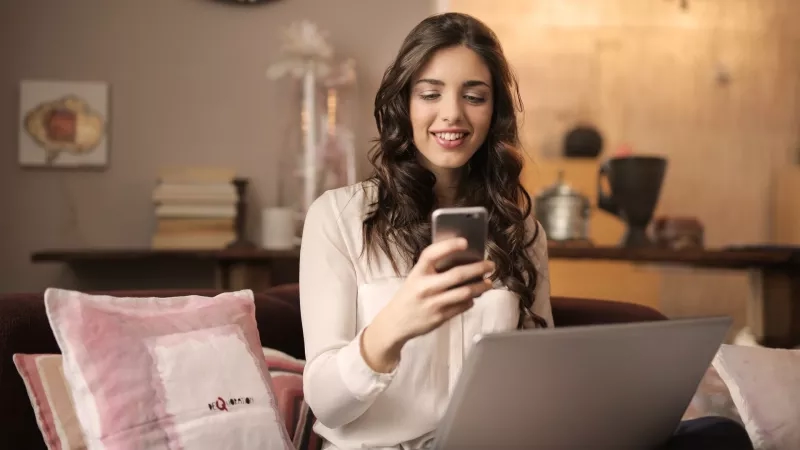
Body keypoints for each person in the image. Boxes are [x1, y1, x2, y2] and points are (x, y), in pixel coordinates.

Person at [298, 12, 753, 450]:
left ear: (493, 112)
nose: (452, 114)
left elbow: (537, 376)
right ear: (404, 103)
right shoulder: (339, 218)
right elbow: (326, 404)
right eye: (430, 93)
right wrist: (393, 327)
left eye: (474, 96)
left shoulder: (520, 231)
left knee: (718, 435)